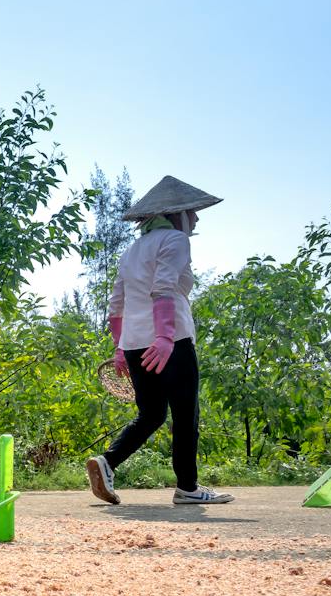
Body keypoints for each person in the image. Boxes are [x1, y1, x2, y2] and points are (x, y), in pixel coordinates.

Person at [86, 176, 234, 507]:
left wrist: (121, 347)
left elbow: (116, 305)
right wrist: (166, 337)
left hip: (136, 345)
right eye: (191, 212)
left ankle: (106, 462)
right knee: (185, 415)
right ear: (175, 215)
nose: (195, 219)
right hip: (171, 342)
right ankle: (188, 487)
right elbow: (164, 288)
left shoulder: (131, 251)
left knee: (151, 414)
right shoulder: (176, 241)